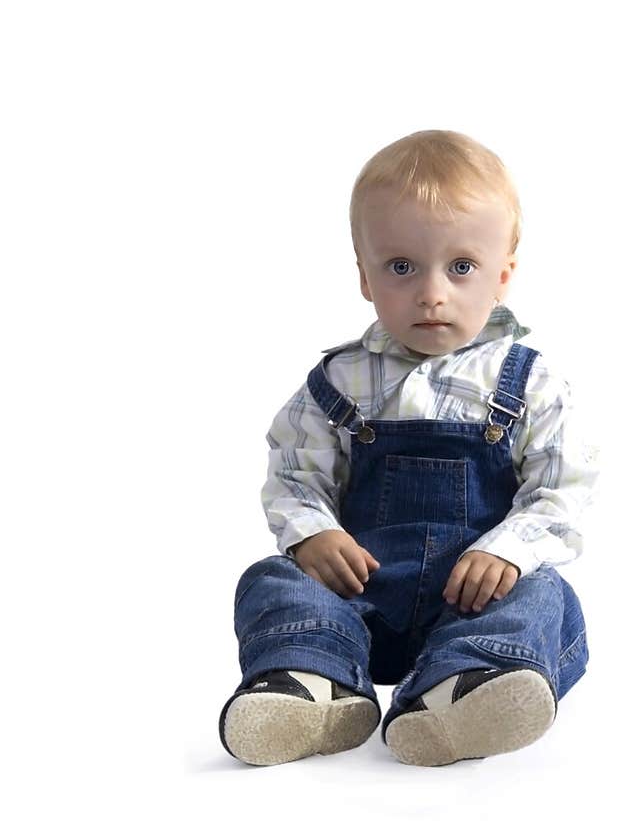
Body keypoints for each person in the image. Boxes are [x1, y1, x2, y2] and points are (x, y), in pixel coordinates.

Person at [219, 129, 599, 767]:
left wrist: (507, 550)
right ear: (365, 277)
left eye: (461, 267)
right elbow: (293, 476)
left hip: (471, 602)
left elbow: (563, 488)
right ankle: (315, 682)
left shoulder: (531, 383)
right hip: (360, 597)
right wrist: (311, 535)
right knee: (272, 578)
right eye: (401, 267)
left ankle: (463, 687)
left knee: (546, 595)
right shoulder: (336, 384)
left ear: (502, 275)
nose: (431, 292)